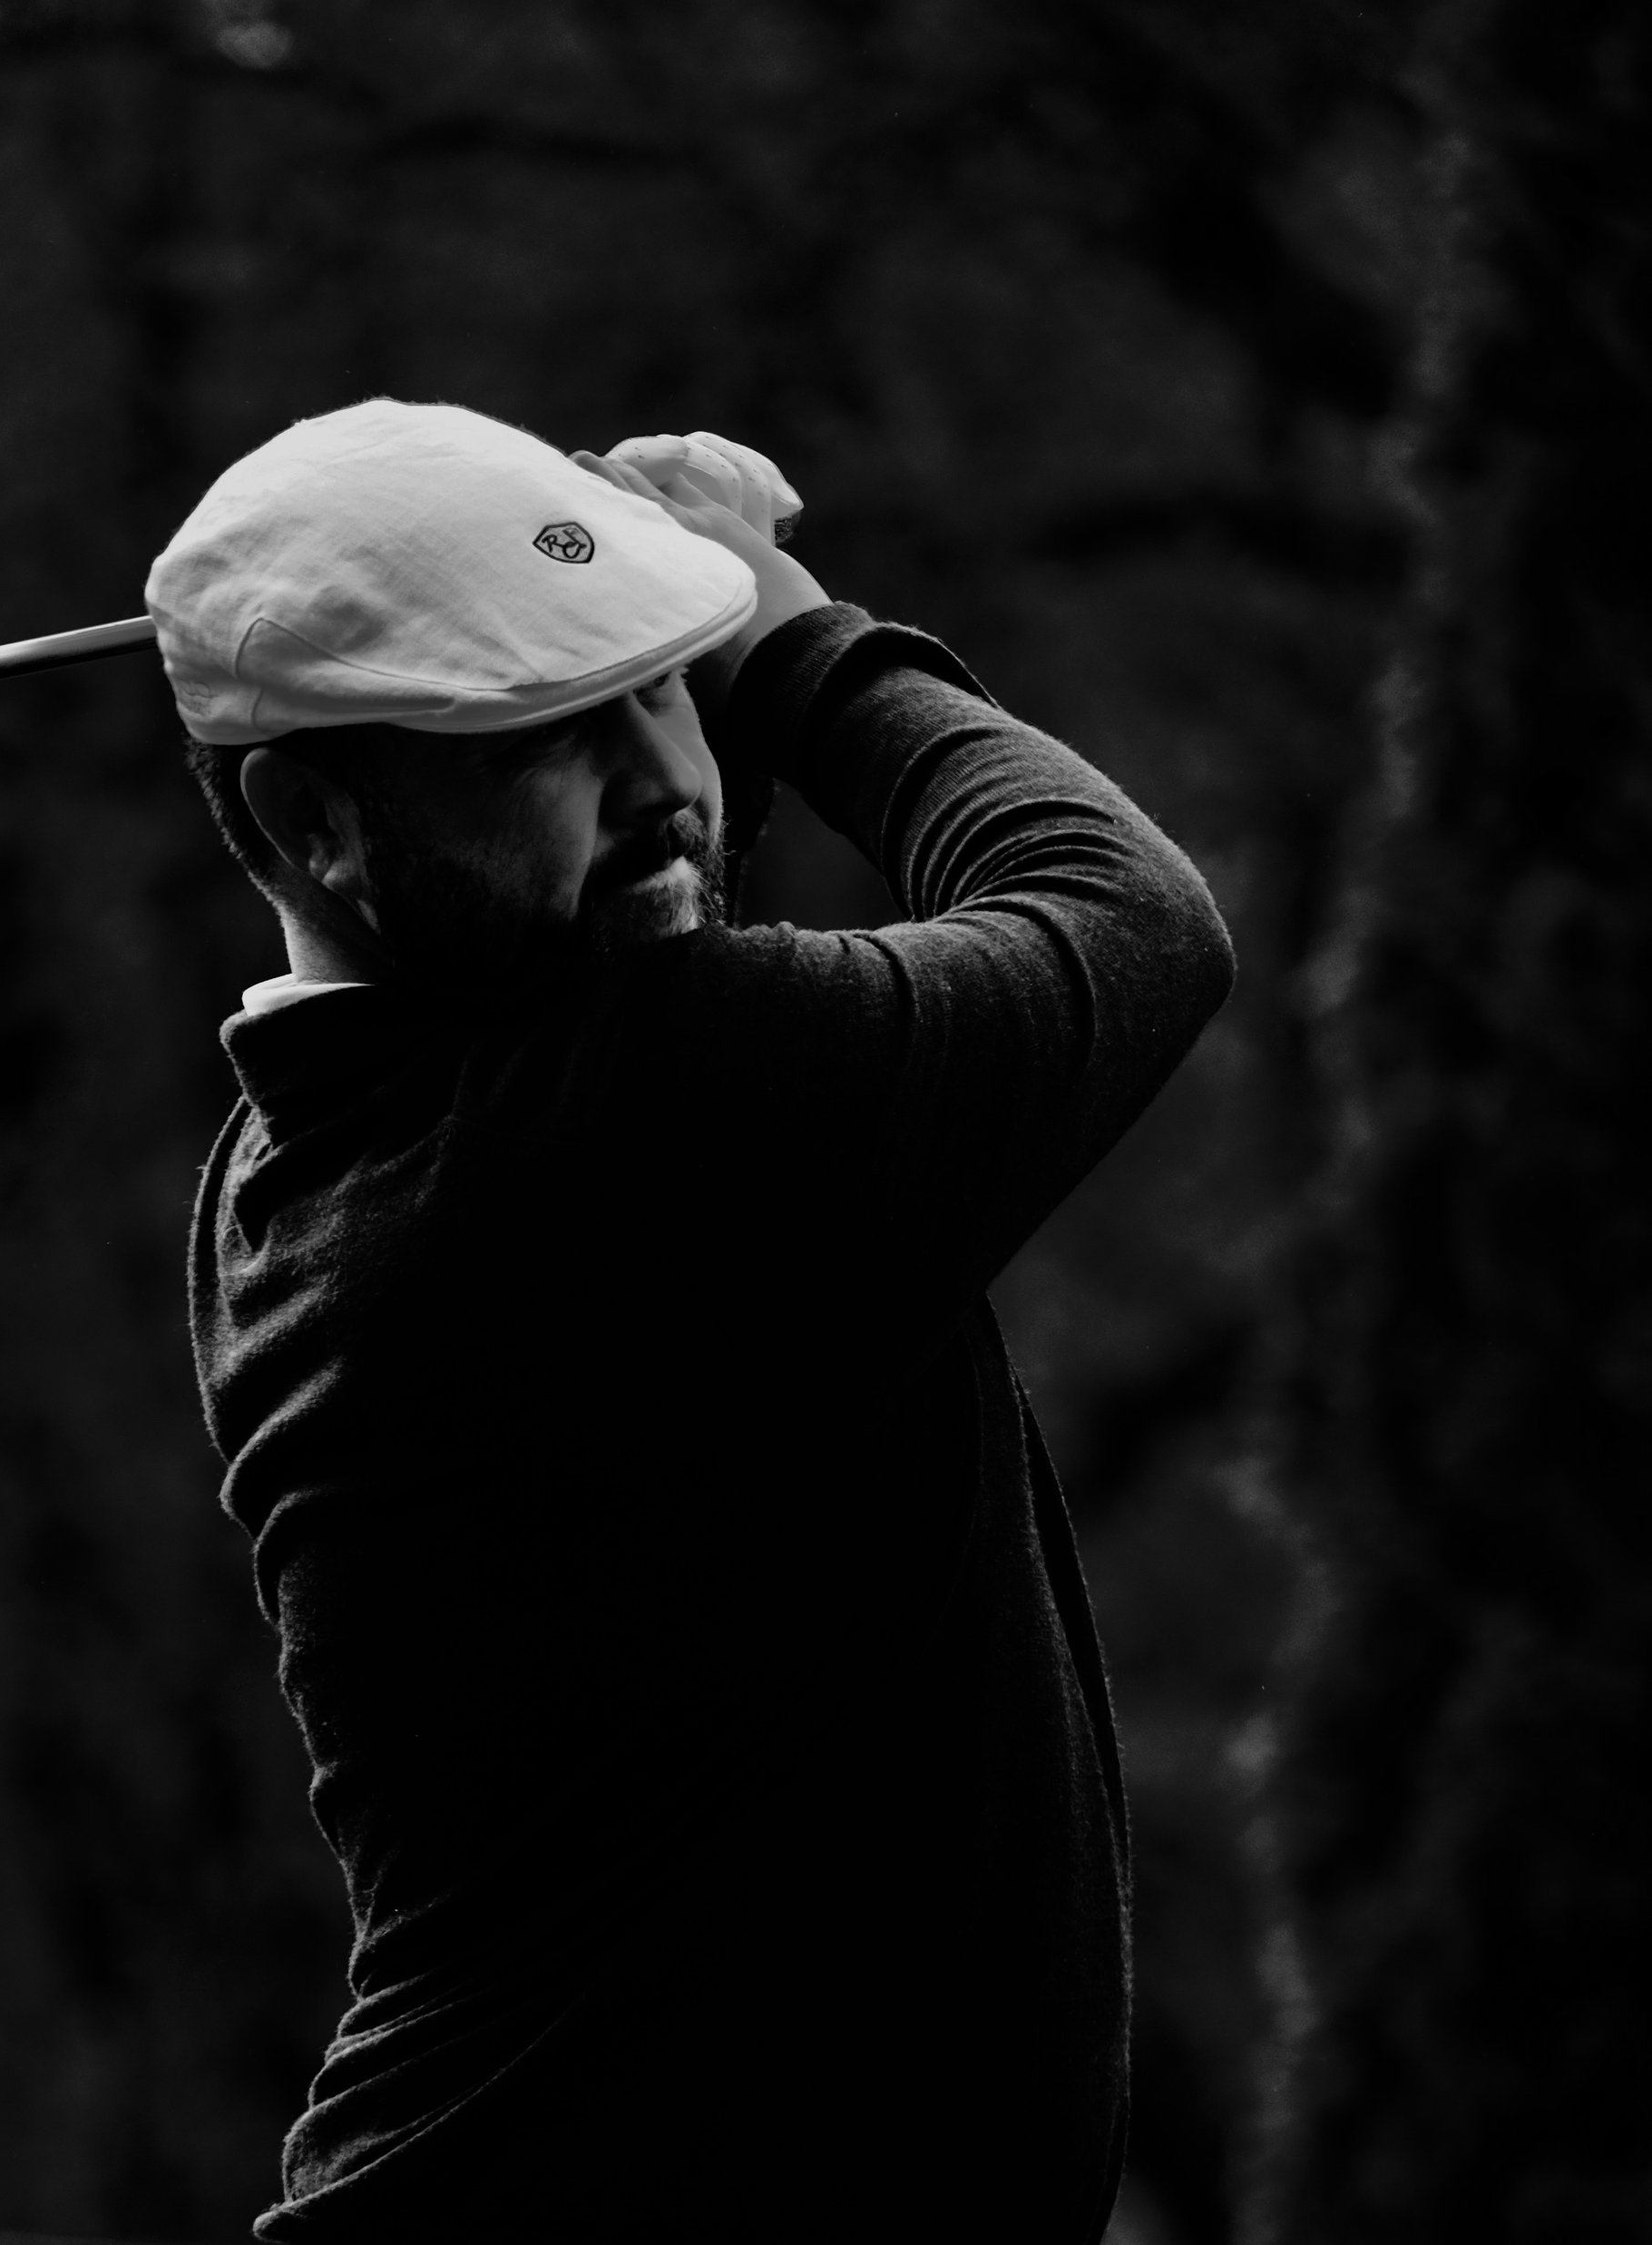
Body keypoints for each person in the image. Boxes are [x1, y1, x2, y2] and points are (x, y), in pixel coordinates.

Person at [151, 397, 1235, 2243]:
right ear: (313, 819)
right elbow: (1125, 915)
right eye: (542, 734)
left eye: (664, 687)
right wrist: (791, 640)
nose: (664, 777)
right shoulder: (637, 1109)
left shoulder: (281, 1157)